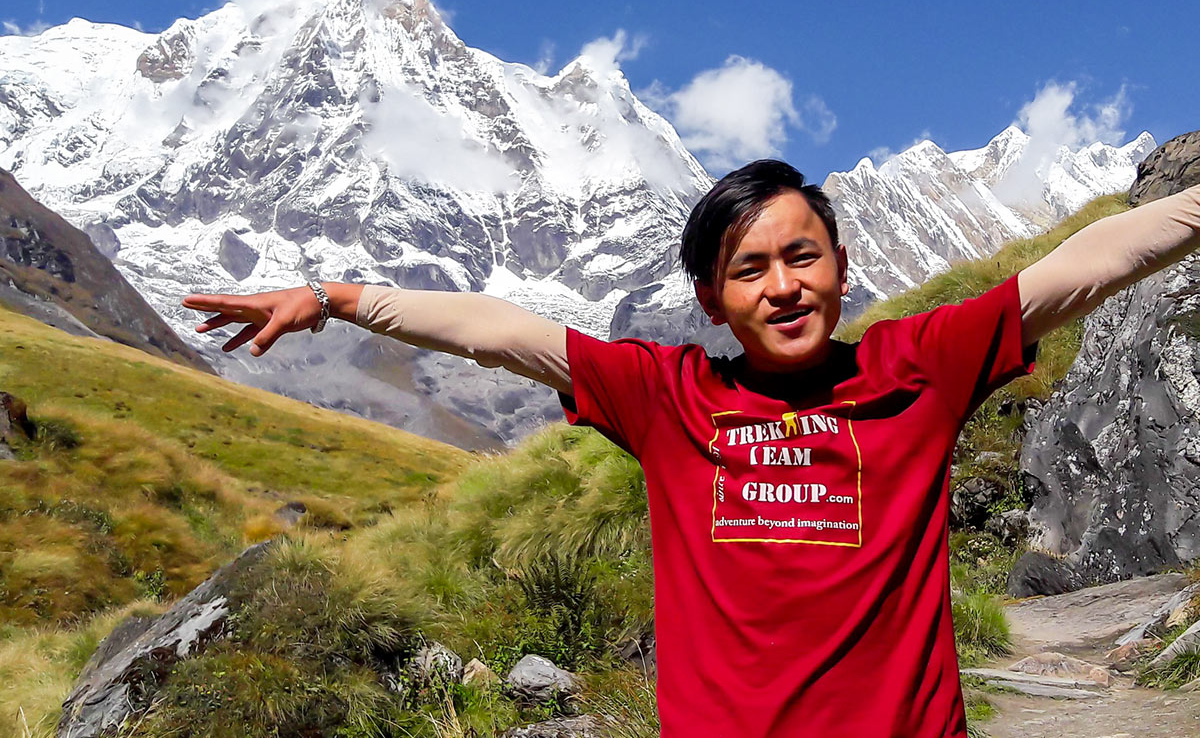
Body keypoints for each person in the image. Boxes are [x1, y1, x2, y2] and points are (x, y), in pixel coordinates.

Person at [183, 159, 1200, 737]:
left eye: (802, 256)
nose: (783, 285)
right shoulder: (669, 398)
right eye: (748, 268)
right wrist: (333, 299)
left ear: (843, 268)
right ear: (713, 301)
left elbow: (1085, 265)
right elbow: (502, 331)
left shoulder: (915, 370)